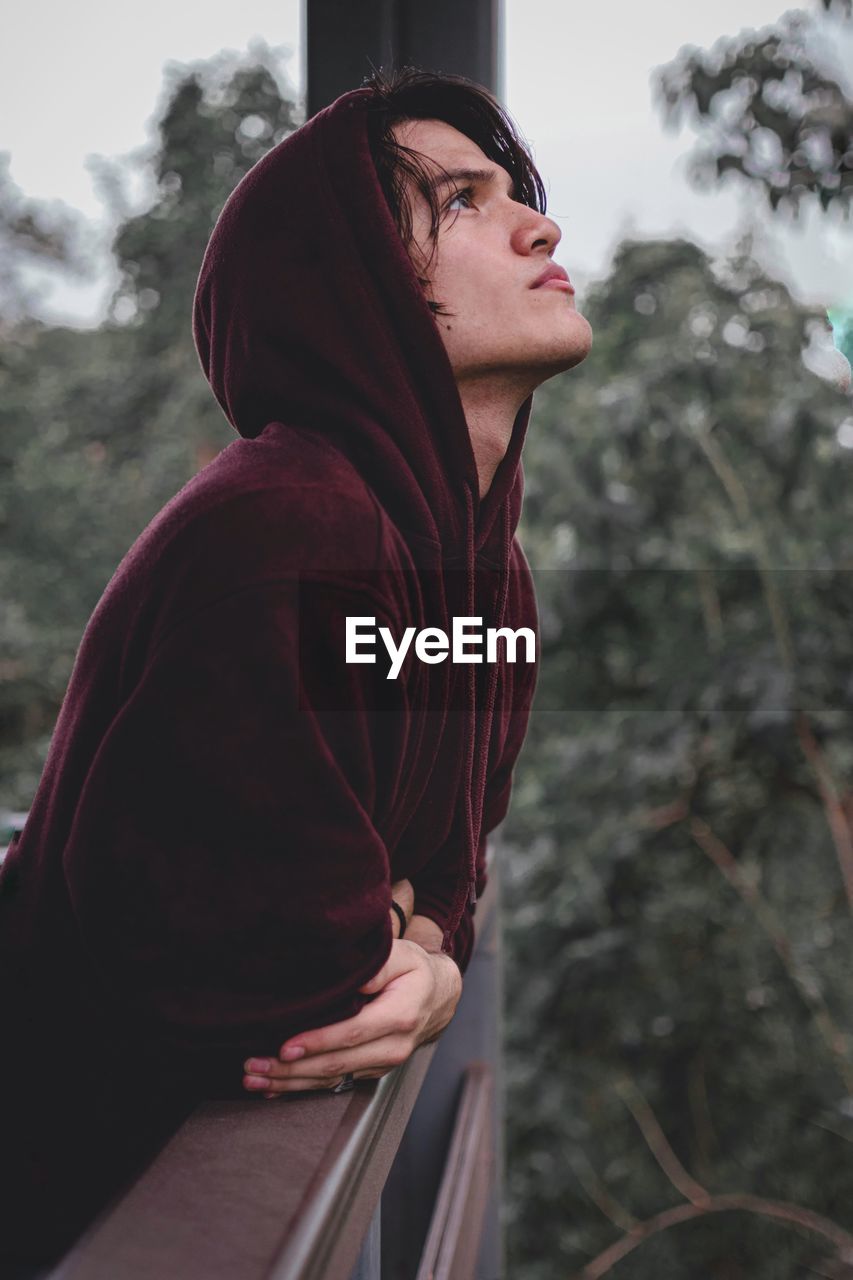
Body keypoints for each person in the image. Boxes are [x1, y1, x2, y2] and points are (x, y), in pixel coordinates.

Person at [0, 66, 592, 1273]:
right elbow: (282, 963)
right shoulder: (286, 528)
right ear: (365, 287)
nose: (542, 225)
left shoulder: (489, 583)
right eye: (464, 203)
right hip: (68, 1190)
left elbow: (447, 881)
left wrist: (419, 960)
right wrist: (404, 946)